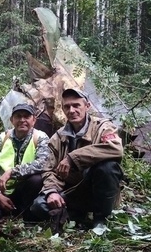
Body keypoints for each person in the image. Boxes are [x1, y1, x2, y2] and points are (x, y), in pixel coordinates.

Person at [30, 88, 124, 231]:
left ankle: (100, 219)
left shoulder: (102, 127)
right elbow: (48, 169)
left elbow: (115, 149)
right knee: (39, 206)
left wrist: (72, 158)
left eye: (76, 105)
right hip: (72, 191)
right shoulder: (58, 137)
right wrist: (51, 191)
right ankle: (76, 216)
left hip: (97, 191)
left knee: (108, 167)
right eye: (67, 107)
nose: (72, 110)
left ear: (87, 106)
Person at [0, 102, 51, 224]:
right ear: (11, 120)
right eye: (18, 116)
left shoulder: (41, 138)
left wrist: (12, 171)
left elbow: (43, 163)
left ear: (34, 120)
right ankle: (6, 209)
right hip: (2, 190)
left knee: (36, 180)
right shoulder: (1, 139)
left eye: (26, 116)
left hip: (25, 190)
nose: (22, 120)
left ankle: (25, 213)